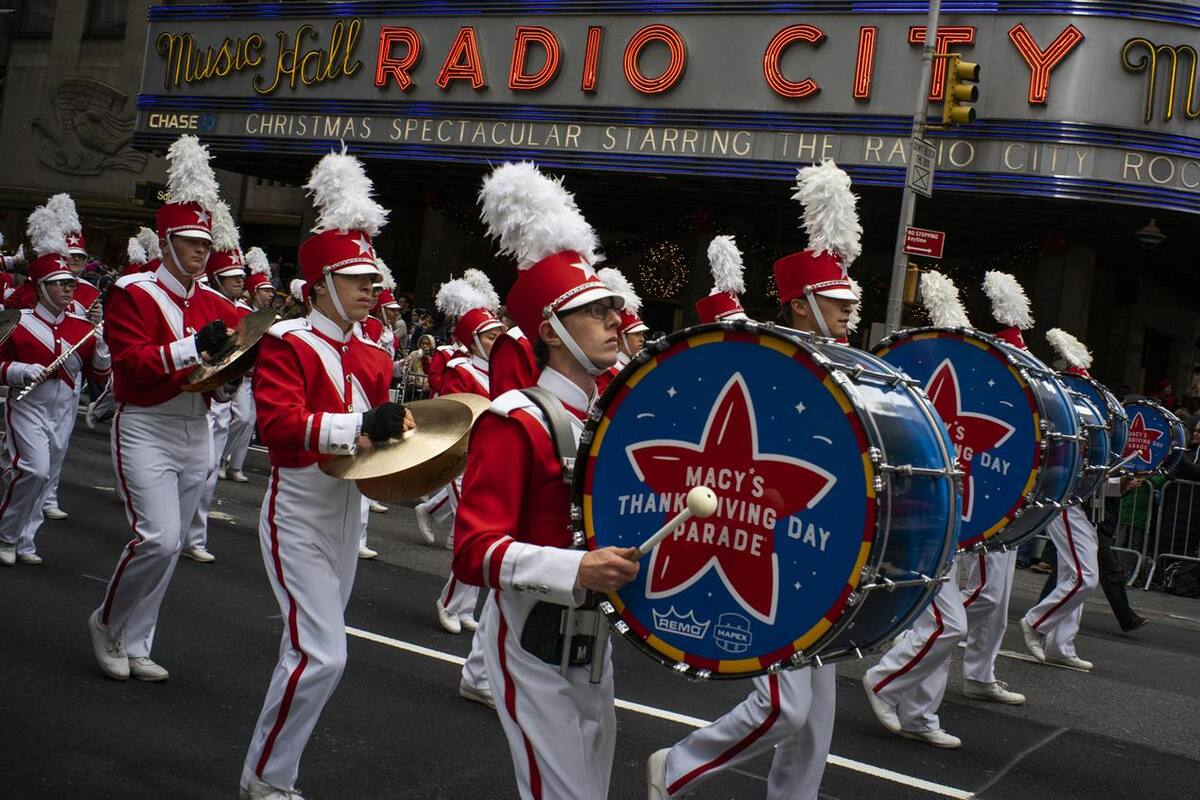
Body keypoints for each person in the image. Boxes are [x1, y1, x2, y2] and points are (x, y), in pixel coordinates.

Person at [648, 161, 860, 799]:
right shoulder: (760, 361)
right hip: (760, 545)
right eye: (836, 304)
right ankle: (678, 765)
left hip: (821, 550)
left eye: (852, 303)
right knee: (784, 707)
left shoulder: (845, 368)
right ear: (800, 304)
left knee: (816, 716)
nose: (850, 314)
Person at [452, 161, 637, 800]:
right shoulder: (516, 419)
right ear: (552, 333)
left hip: (592, 642)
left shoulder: (615, 413)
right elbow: (473, 552)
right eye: (595, 311)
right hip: (530, 642)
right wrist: (574, 569)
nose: (616, 319)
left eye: (614, 308)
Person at [239, 148, 412, 800]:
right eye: (358, 279)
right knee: (322, 655)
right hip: (298, 510)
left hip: (351, 511)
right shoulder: (287, 342)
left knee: (310, 654)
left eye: (373, 280)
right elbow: (279, 426)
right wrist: (359, 428)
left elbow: (373, 430)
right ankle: (265, 776)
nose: (373, 290)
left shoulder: (369, 352)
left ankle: (272, 771)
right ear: (320, 286)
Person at [88, 134, 240, 684]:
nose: (204, 252)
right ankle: (107, 623)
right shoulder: (132, 291)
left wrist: (226, 380)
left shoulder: (215, 302)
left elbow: (222, 374)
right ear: (167, 241)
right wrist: (193, 347)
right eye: (192, 243)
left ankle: (139, 640)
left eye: (206, 244)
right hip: (146, 424)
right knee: (156, 538)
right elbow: (130, 363)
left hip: (195, 425)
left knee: (173, 545)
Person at [862, 270, 1029, 754]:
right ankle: (884, 678)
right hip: (919, 523)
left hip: (951, 521)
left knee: (938, 624)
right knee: (946, 624)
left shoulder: (977, 396)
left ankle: (918, 713)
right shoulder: (918, 393)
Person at [0, 206, 111, 566]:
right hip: (28, 405)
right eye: (61, 284)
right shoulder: (20, 322)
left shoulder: (83, 328)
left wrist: (105, 344)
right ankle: (6, 533)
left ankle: (26, 539)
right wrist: (18, 370)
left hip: (64, 410)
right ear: (41, 287)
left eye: (71, 283)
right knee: (32, 469)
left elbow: (99, 374)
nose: (69, 289)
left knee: (45, 475)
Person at [1018, 328, 1102, 671]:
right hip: (1064, 499)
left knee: (1073, 572)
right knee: (1085, 576)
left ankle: (1060, 645)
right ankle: (1036, 622)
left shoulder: (1083, 421)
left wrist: (1116, 482)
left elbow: (1094, 465)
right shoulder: (1057, 419)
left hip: (1079, 501)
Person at [180, 201, 251, 564]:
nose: (241, 283)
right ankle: (180, 534)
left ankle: (194, 537)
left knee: (206, 474)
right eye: (234, 277)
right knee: (199, 471)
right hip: (190, 399)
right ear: (218, 279)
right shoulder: (207, 305)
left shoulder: (241, 313)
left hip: (220, 401)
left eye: (242, 277)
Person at [220, 245, 273, 482]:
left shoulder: (269, 315)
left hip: (256, 377)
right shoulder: (240, 309)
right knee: (240, 417)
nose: (271, 295)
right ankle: (221, 459)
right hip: (237, 374)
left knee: (250, 420)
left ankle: (236, 466)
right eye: (265, 291)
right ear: (254, 292)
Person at [595, 267, 648, 396]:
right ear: (620, 338)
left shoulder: (634, 368)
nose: (642, 339)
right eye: (636, 334)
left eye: (642, 334)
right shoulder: (607, 372)